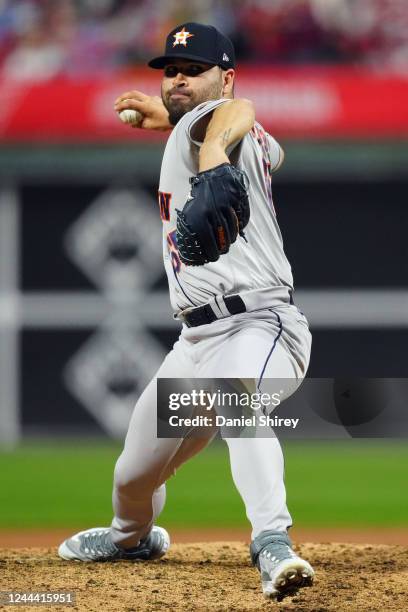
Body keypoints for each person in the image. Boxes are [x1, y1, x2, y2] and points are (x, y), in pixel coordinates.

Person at [58, 22, 314, 601]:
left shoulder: (217, 121)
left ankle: (273, 541)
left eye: (192, 70)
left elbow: (237, 111)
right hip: (194, 343)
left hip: (262, 324)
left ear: (224, 77)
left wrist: (214, 143)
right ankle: (132, 539)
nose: (176, 78)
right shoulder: (200, 128)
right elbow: (274, 147)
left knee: (234, 395)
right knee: (132, 475)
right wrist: (181, 123)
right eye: (171, 70)